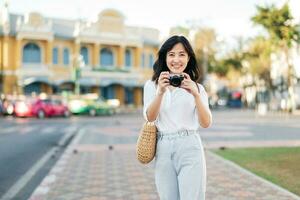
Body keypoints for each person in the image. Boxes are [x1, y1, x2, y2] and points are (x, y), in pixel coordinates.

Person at [143, 35, 212, 200]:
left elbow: (206, 123)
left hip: (190, 146)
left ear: (189, 58)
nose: (176, 59)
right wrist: (160, 92)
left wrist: (195, 95)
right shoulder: (152, 86)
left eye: (182, 54)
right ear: (165, 57)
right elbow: (150, 118)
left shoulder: (198, 88)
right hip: (163, 147)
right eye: (171, 54)